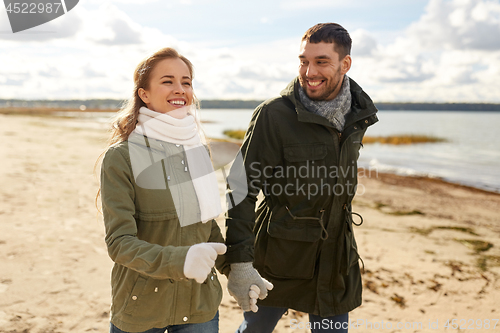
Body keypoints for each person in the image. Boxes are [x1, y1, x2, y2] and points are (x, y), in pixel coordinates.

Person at [224, 23, 379, 332]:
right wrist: (239, 262)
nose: (309, 71)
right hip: (279, 255)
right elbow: (240, 187)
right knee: (255, 330)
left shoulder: (358, 114)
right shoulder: (273, 114)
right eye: (303, 61)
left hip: (336, 258)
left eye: (321, 61)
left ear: (344, 64)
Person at [98, 47, 228, 333]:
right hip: (142, 307)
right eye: (168, 81)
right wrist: (180, 261)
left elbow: (207, 228)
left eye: (187, 82)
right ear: (144, 94)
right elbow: (119, 243)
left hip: (200, 306)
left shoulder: (198, 150)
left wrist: (238, 270)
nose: (180, 89)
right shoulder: (122, 157)